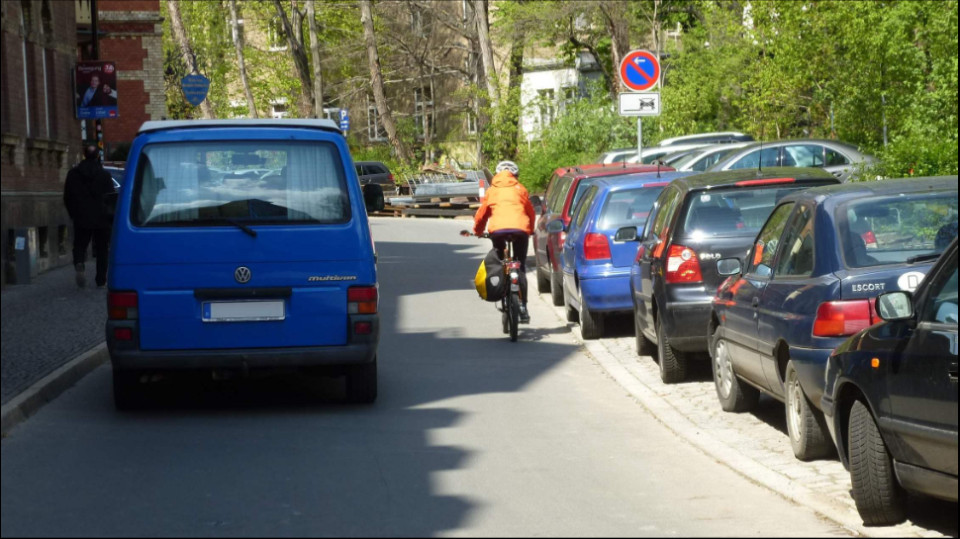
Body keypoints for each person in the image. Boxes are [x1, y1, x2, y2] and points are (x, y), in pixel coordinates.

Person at [469, 160, 536, 323]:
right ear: (516, 176)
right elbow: (531, 213)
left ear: (497, 175)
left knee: (500, 260)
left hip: (498, 232)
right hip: (520, 231)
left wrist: (478, 231)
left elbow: (482, 214)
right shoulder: (521, 189)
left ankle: (502, 284)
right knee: (520, 267)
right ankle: (523, 307)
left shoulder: (492, 190)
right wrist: (531, 229)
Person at [63, 145, 115, 288]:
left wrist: (73, 213)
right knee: (102, 249)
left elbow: (68, 196)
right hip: (101, 218)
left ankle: (79, 262)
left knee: (79, 245)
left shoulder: (73, 174)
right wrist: (110, 217)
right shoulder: (104, 175)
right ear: (98, 156)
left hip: (81, 216)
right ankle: (100, 279)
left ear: (84, 155)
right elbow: (110, 197)